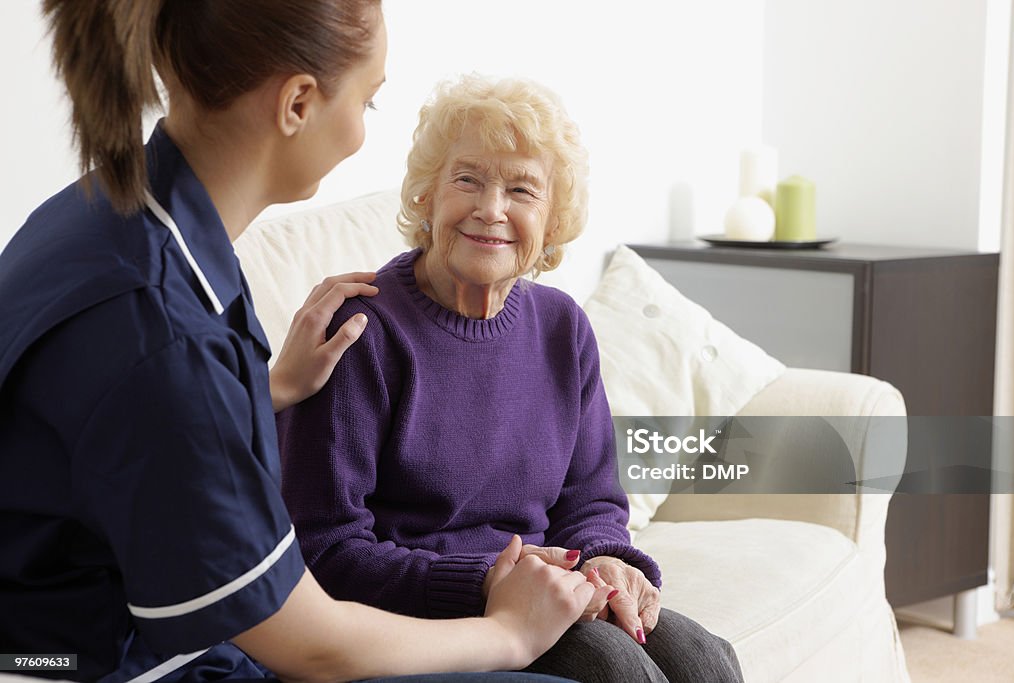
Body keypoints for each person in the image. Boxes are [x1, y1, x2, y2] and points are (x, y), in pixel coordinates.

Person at [0, 3, 597, 682]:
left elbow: (117, 422)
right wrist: (509, 633)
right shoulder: (165, 331)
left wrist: (268, 385)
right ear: (298, 103)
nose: (363, 132)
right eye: (369, 103)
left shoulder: (111, 212)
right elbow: (312, 644)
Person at [277, 75, 745, 683]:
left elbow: (592, 499)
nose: (491, 209)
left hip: (546, 587)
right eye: (467, 178)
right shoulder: (363, 329)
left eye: (522, 189)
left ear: (551, 221)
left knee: (705, 659)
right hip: (418, 613)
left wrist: (604, 559)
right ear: (426, 196)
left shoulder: (562, 329)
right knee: (613, 669)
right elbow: (327, 551)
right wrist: (487, 581)